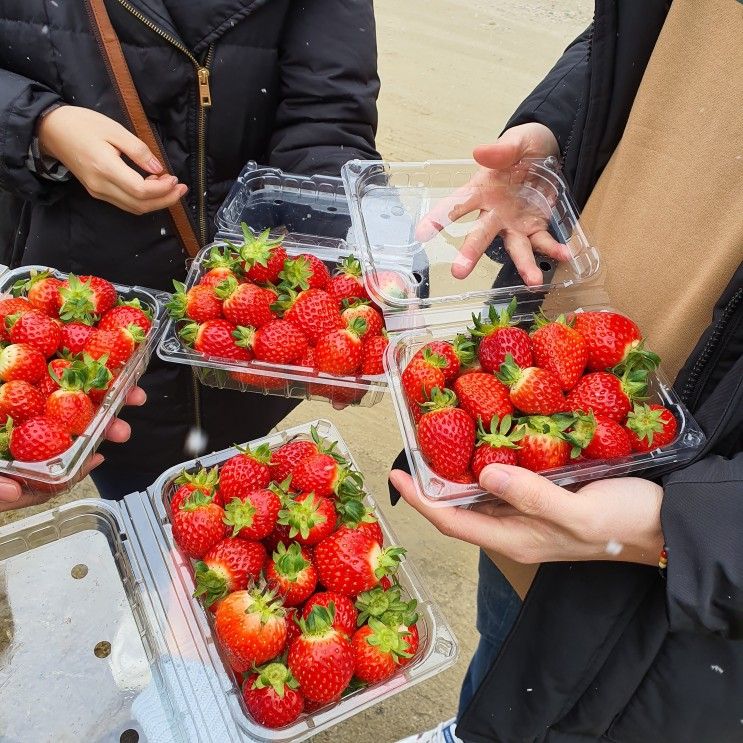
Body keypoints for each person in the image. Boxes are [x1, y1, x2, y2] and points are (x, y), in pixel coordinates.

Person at [392, 0, 743, 740]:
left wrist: (681, 530)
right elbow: (641, 39)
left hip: (687, 558)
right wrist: (556, 131)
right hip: (545, 402)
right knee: (507, 634)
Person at [0, 0, 379, 502]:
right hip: (83, 309)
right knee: (128, 481)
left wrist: (332, 278)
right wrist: (39, 125)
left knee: (234, 479)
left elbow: (329, 113)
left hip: (254, 317)